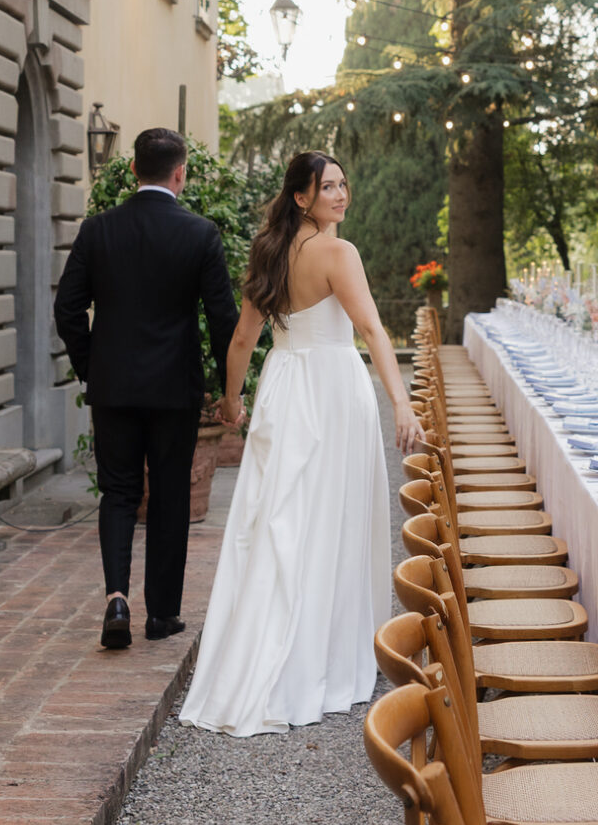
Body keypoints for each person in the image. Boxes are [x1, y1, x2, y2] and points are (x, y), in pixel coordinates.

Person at [178, 149, 424, 737]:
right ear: (301, 197)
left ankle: (269, 649)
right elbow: (371, 330)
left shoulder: (269, 251)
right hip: (333, 389)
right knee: (330, 518)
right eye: (327, 187)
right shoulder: (339, 253)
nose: (340, 195)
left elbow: (244, 340)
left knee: (278, 518)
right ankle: (323, 655)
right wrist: (402, 401)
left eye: (343, 184)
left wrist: (233, 400)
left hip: (285, 386)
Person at [53, 126, 239, 653]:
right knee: (171, 495)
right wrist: (230, 390)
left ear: (133, 169)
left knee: (118, 492)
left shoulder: (98, 230)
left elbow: (68, 308)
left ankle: (116, 598)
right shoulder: (200, 234)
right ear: (180, 174)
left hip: (113, 386)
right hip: (175, 390)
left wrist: (91, 366)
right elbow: (223, 319)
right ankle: (162, 613)